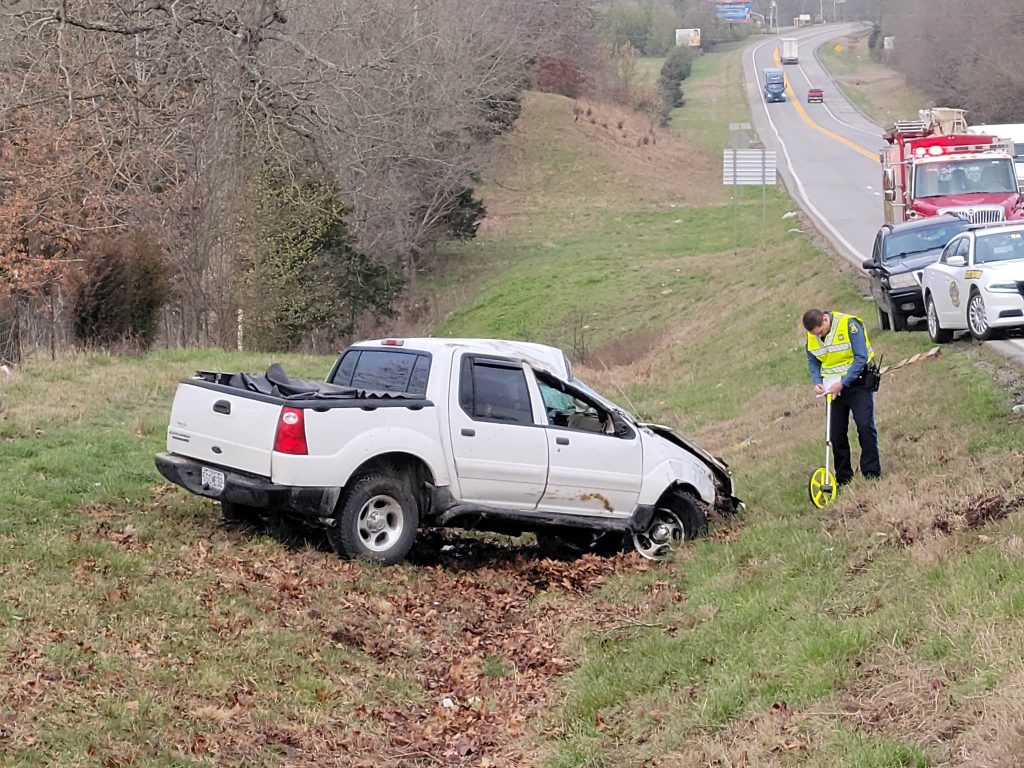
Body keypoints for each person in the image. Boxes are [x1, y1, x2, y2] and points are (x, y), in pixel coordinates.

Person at [802, 308, 881, 485]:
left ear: (824, 319)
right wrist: (817, 380)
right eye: (815, 334)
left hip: (858, 384)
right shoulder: (812, 335)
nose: (818, 336)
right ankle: (843, 477)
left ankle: (872, 473)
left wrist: (844, 382)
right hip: (833, 389)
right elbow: (813, 360)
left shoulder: (849, 325)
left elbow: (861, 357)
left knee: (864, 427)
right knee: (836, 433)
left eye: (820, 332)